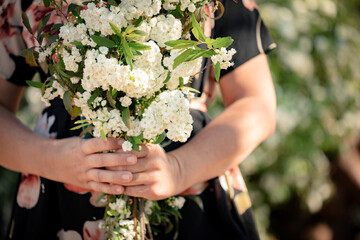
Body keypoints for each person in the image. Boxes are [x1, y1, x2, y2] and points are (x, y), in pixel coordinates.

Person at [0, 0, 276, 239]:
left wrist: (179, 168)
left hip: (192, 187)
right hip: (60, 199)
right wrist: (51, 159)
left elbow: (256, 103)